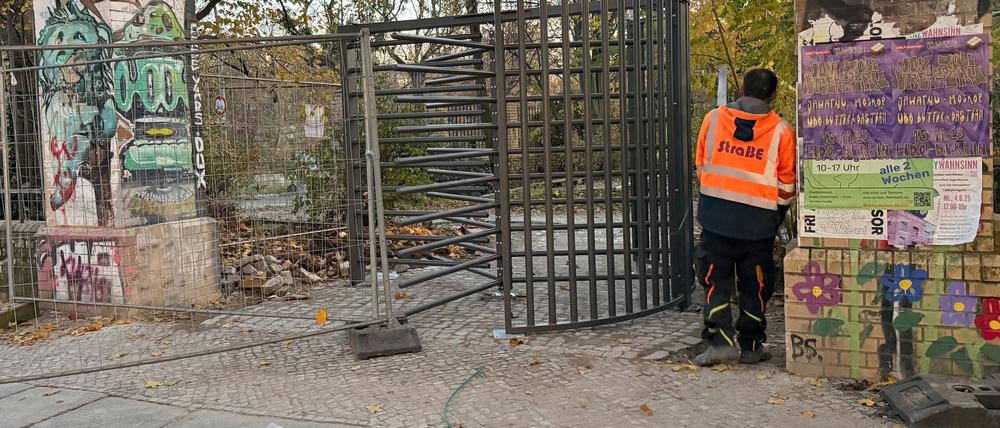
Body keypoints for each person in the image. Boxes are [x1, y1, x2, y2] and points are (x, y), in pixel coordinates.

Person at [693, 69, 797, 366]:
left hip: (715, 219)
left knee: (715, 281)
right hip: (758, 226)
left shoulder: (713, 119)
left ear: (741, 89)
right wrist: (774, 216)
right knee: (756, 285)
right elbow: (786, 185)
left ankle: (719, 344)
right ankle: (751, 346)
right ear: (773, 96)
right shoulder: (781, 130)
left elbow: (701, 165)